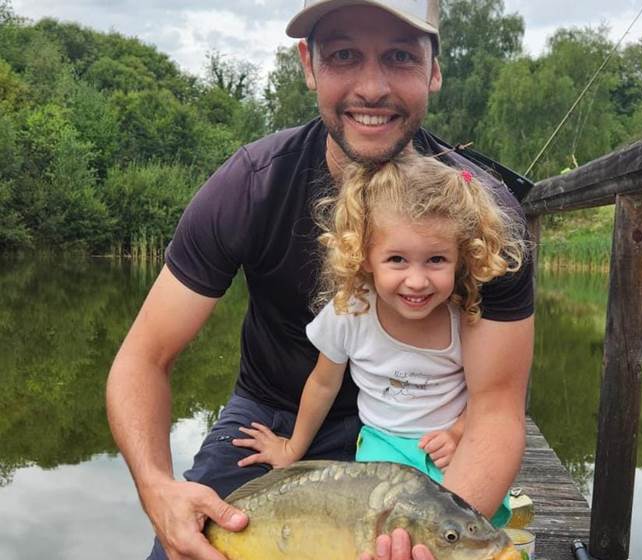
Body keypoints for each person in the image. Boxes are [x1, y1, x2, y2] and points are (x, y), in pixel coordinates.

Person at [105, 1, 535, 559]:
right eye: (344, 55)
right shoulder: (250, 185)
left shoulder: (483, 215)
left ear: (434, 67)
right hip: (274, 413)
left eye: (400, 56)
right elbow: (142, 359)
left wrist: (432, 536)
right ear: (309, 64)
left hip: (422, 429)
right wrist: (156, 487)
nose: (372, 86)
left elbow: (497, 406)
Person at [232, 153, 526, 528]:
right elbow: (323, 384)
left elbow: (486, 395)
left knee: (468, 534)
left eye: (436, 259)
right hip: (379, 450)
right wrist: (292, 449)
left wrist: (458, 431)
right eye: (397, 260)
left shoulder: (465, 317)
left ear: (461, 258)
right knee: (376, 533)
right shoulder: (350, 313)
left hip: (448, 451)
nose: (417, 281)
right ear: (366, 256)